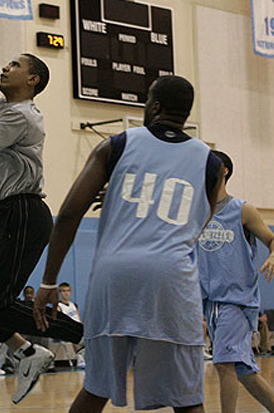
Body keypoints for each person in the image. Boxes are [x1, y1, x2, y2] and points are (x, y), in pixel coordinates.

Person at [35, 75, 224, 413]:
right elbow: (199, 220)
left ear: (154, 106)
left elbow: (66, 216)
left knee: (96, 389)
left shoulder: (118, 144)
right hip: (171, 279)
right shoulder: (210, 161)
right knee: (188, 400)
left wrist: (49, 280)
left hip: (115, 278)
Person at [0, 33, 83, 404]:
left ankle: (84, 334)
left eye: (15, 65)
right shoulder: (7, 109)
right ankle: (27, 352)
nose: (5, 68)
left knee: (0, 303)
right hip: (9, 213)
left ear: (33, 79)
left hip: (26, 212)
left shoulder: (22, 115)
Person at [197, 150, 274, 413]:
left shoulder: (242, 210)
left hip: (236, 300)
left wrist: (273, 255)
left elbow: (272, 239)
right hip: (211, 302)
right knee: (244, 371)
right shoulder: (197, 212)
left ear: (224, 170)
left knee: (224, 364)